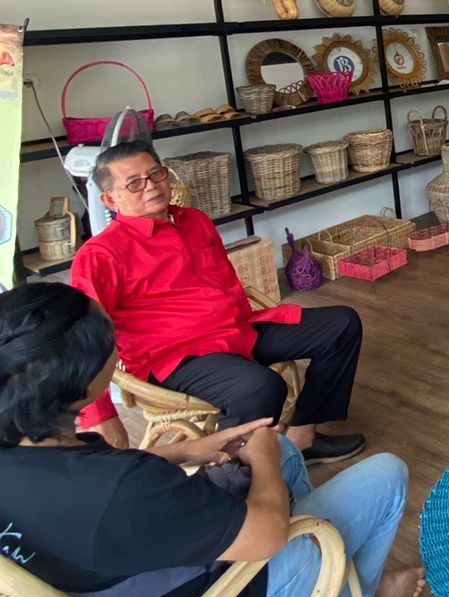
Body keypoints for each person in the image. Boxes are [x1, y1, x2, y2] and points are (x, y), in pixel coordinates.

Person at [0, 282, 425, 597]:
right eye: (109, 339)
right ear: (86, 380)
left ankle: (327, 593)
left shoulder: (21, 454)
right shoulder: (122, 489)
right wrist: (262, 458)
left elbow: (98, 477)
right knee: (385, 474)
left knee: (281, 448)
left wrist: (189, 450)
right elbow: (266, 536)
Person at [71, 140, 366, 464]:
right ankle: (238, 478)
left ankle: (303, 436)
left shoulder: (194, 220)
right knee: (260, 387)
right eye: (134, 183)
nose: (151, 186)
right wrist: (100, 415)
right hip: (175, 357)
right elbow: (82, 336)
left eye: (156, 174)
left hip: (237, 330)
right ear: (110, 198)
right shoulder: (101, 254)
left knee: (341, 325)